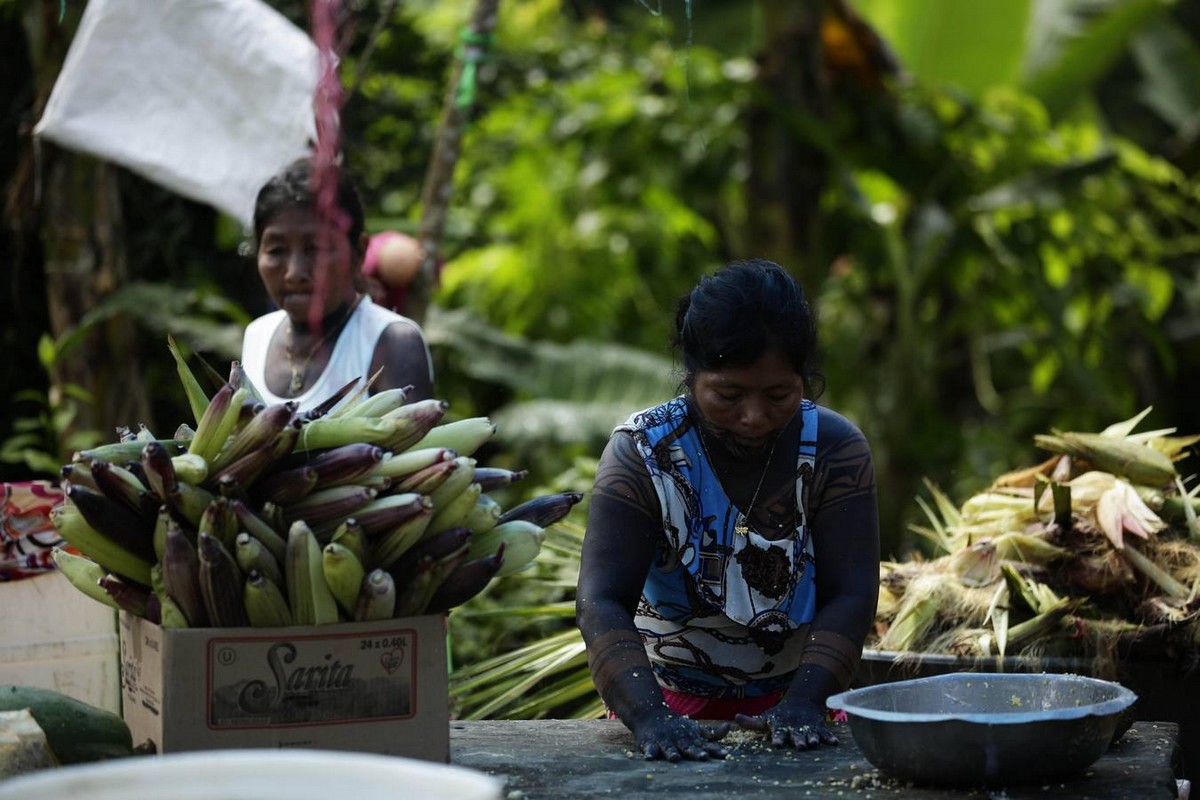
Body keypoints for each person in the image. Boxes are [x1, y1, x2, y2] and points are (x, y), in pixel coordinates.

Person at [576, 259, 880, 762]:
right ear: (691, 377)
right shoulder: (642, 454)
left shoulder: (835, 452)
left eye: (779, 394)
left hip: (804, 709)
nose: (754, 416)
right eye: (728, 394)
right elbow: (601, 599)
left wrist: (804, 704)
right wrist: (652, 718)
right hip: (664, 708)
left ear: (804, 379)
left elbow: (852, 592)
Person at [240, 157, 435, 411]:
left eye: (316, 250)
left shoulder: (391, 343)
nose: (294, 272)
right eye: (276, 251)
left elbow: (414, 447)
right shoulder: (257, 335)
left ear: (359, 252)